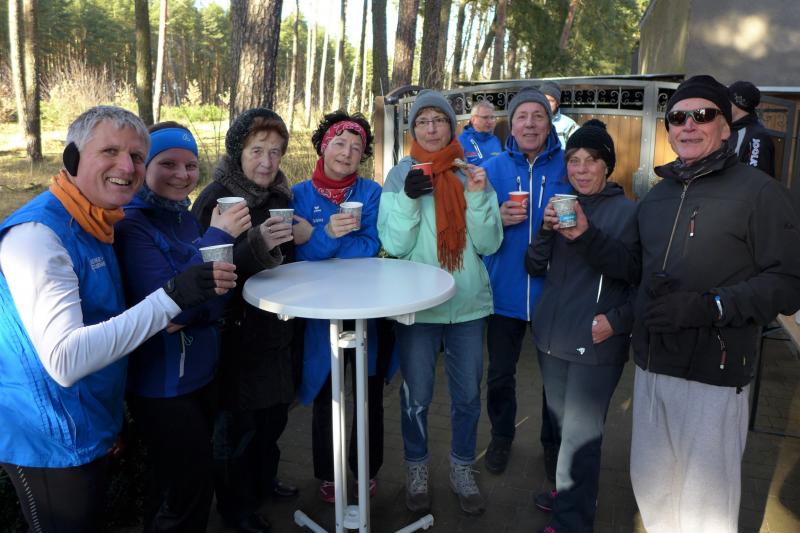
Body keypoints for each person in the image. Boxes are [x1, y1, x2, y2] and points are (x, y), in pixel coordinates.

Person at [0, 106, 236, 533]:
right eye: (110, 151)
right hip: (49, 435)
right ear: (72, 157)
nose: (127, 167)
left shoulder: (97, 221)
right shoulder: (38, 237)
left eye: (136, 156)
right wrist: (172, 298)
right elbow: (65, 360)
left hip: (87, 419)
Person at [629, 75, 800, 532]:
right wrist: (582, 236)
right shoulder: (658, 195)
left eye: (703, 115)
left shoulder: (760, 192)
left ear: (726, 127)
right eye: (678, 117)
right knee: (653, 493)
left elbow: (788, 283)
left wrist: (712, 306)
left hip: (714, 374)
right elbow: (632, 268)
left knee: (705, 512)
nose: (689, 125)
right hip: (652, 367)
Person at [114, 122, 252, 532]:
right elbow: (164, 309)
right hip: (162, 385)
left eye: (191, 165)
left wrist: (192, 308)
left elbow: (218, 293)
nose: (182, 174)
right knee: (189, 492)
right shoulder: (132, 226)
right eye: (168, 163)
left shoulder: (185, 219)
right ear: (144, 166)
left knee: (170, 485)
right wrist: (218, 235)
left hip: (200, 373)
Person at [378, 89, 503, 516]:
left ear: (452, 126)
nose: (431, 129)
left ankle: (462, 468)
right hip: (418, 305)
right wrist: (410, 200)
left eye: (439, 120)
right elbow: (394, 245)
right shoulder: (400, 176)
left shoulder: (471, 171)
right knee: (416, 398)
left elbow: (489, 243)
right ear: (413, 129)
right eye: (423, 121)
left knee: (467, 397)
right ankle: (417, 469)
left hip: (467, 304)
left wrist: (480, 197)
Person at [526, 120, 636, 533]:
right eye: (574, 160)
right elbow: (534, 266)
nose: (582, 168)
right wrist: (544, 230)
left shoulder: (629, 213)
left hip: (596, 343)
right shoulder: (561, 204)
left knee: (580, 438)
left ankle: (573, 521)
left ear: (607, 165)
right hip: (552, 339)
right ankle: (567, 494)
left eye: (592, 160)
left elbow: (637, 275)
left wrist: (617, 322)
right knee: (560, 429)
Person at [191, 108, 297, 533]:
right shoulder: (217, 199)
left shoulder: (280, 197)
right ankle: (236, 509)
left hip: (276, 330)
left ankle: (263, 482)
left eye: (275, 152)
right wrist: (257, 243)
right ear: (238, 152)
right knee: (238, 428)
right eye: (257, 151)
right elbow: (204, 272)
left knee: (273, 418)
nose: (267, 162)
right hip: (235, 336)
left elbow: (287, 261)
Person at [291, 109, 394, 503]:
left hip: (366, 309)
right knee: (326, 395)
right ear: (323, 145)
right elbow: (298, 256)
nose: (347, 152)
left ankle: (366, 468)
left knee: (367, 395)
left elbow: (370, 246)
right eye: (340, 143)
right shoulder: (298, 195)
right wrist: (328, 236)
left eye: (356, 147)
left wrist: (320, 237)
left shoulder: (371, 192)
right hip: (320, 313)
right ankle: (329, 473)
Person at [481, 87, 572, 476]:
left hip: (555, 292)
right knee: (500, 374)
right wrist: (495, 219)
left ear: (549, 123)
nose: (530, 124)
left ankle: (552, 444)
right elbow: (473, 229)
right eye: (522, 116)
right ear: (512, 124)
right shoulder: (492, 170)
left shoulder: (569, 166)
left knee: (556, 379)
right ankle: (501, 436)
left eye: (538, 116)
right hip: (504, 291)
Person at [728, 80, 776, 177]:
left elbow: (755, 179)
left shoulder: (758, 137)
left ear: (738, 103)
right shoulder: (730, 128)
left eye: (727, 99)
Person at [457, 100, 503, 165]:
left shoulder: (495, 140)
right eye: (485, 117)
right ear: (473, 120)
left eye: (492, 117)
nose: (490, 121)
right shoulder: (461, 141)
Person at [540, 81, 578, 149]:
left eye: (551, 101)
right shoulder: (531, 123)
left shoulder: (569, 125)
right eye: (544, 100)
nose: (547, 103)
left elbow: (577, 150)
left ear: (557, 103)